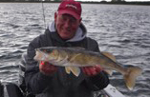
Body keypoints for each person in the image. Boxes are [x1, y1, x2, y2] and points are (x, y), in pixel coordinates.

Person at [24, 0, 109, 97]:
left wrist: (95, 77)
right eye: (63, 19)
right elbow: (31, 87)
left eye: (72, 20)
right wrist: (44, 75)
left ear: (79, 22)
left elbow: (102, 84)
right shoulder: (38, 44)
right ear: (55, 17)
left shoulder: (91, 45)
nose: (67, 25)